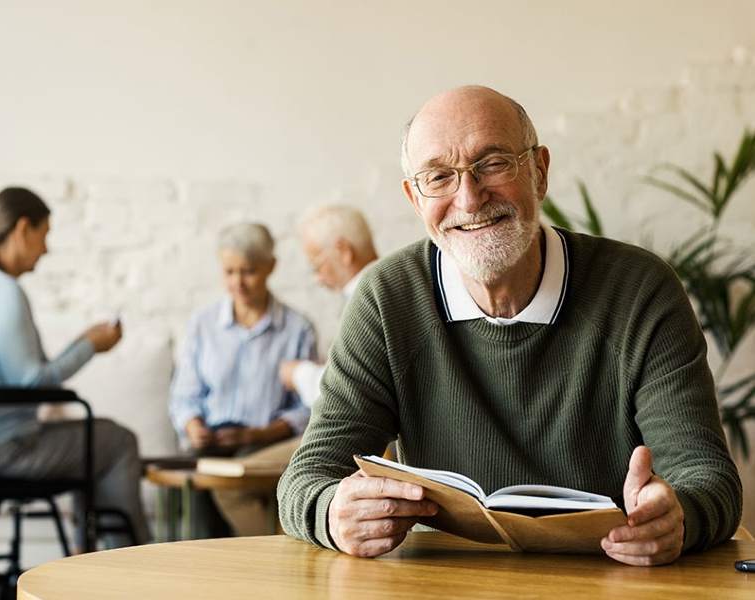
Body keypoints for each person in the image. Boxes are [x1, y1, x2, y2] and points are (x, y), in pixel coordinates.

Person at [278, 86, 742, 566]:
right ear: (415, 199)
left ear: (539, 171)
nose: (470, 197)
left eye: (494, 163)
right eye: (438, 177)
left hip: (610, 578)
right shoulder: (387, 297)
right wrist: (332, 512)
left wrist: (677, 516)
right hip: (445, 583)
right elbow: (306, 477)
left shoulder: (639, 289)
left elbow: (709, 479)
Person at [0, 186, 150, 548]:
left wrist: (82, 343)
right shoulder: (1, 290)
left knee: (96, 444)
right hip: (1, 452)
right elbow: (30, 382)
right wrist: (91, 347)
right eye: (44, 235)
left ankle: (92, 566)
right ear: (23, 229)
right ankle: (133, 572)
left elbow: (26, 373)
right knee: (117, 442)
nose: (47, 248)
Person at [169, 222, 317, 536]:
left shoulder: (297, 328)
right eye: (229, 272)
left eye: (248, 271)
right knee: (199, 483)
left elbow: (308, 409)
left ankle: (270, 557)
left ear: (270, 267)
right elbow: (184, 395)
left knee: (230, 481)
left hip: (265, 444)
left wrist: (256, 435)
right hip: (211, 442)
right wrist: (193, 425)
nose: (238, 283)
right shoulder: (202, 324)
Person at [279, 205, 378, 408]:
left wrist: (299, 374)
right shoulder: (391, 286)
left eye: (316, 265)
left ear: (344, 251)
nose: (317, 278)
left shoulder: (368, 301)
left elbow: (346, 392)